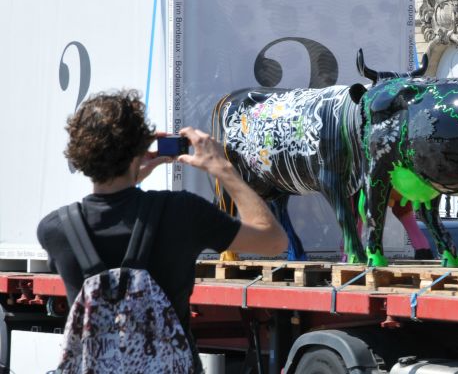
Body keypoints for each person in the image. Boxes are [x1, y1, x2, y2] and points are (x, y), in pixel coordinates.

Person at [36, 89, 288, 369]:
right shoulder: (182, 212)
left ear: (78, 155)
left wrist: (130, 173)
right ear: (139, 150)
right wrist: (222, 168)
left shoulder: (55, 230)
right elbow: (273, 240)